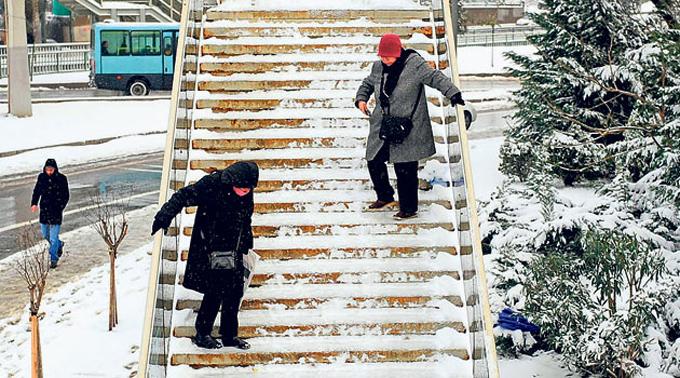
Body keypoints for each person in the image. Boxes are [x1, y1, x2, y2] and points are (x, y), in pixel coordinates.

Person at [355, 33, 465, 220]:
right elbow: (368, 83)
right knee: (373, 160)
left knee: (405, 168)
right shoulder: (378, 67)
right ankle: (385, 196)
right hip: (383, 124)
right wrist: (361, 99)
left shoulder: (414, 64)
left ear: (398, 52)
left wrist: (453, 93)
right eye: (382, 56)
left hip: (407, 126)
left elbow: (435, 77)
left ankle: (408, 208)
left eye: (388, 56)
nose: (384, 60)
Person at [151, 161, 259, 350]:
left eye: (247, 189)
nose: (244, 192)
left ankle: (229, 336)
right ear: (232, 182)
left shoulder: (246, 189)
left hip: (234, 248)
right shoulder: (212, 185)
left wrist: (247, 242)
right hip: (211, 248)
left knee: (234, 294)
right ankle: (202, 334)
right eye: (241, 189)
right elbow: (183, 195)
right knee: (214, 292)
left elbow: (245, 217)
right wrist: (164, 216)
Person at [31, 159, 70, 268]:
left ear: (55, 169)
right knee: (45, 235)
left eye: (51, 170)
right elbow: (37, 191)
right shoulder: (41, 177)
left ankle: (54, 259)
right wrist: (34, 203)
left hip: (56, 212)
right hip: (45, 210)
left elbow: (66, 195)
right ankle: (59, 244)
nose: (49, 172)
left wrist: (60, 207)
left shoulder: (62, 179)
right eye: (47, 169)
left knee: (53, 238)